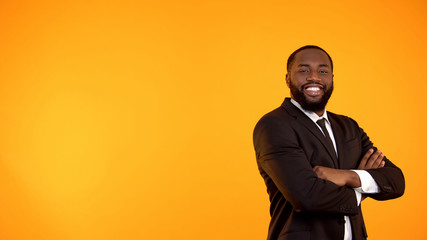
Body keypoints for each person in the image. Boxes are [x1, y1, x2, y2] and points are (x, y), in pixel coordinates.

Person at [253, 45, 405, 240]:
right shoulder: (274, 125)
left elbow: (395, 181)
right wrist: (363, 189)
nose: (314, 77)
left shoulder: (348, 126)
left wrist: (349, 177)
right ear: (287, 78)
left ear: (332, 79)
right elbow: (307, 196)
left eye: (323, 71)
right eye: (303, 70)